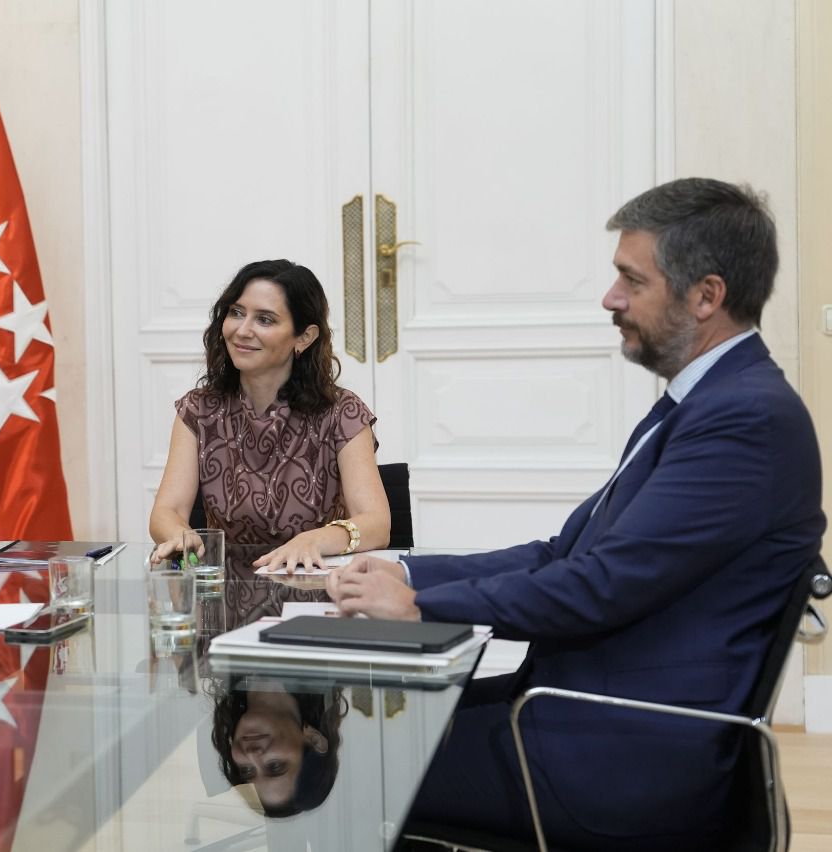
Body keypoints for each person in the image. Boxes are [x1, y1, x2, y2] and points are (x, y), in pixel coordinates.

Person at [326, 178, 825, 849]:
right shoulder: (707, 402)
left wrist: (418, 607)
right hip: (594, 719)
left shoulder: (744, 420)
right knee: (361, 735)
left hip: (620, 757)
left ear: (706, 296)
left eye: (632, 280)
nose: (610, 298)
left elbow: (600, 585)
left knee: (341, 768)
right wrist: (405, 572)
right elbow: (564, 554)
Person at [149, 259, 390, 573]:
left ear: (304, 337)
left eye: (265, 319)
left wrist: (315, 540)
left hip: (314, 586)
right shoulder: (198, 410)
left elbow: (377, 524)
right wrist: (180, 535)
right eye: (236, 313)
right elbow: (165, 512)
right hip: (228, 590)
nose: (242, 330)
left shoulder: (342, 412)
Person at [208, 675, 346, 817]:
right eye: (275, 766)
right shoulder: (328, 663)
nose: (252, 755)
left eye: (247, 770)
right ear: (314, 740)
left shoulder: (213, 668)